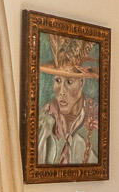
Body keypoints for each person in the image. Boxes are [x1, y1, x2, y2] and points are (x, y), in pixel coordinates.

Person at [36, 35, 100, 166]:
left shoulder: (96, 117)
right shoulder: (46, 116)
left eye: (69, 82)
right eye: (58, 81)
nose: (62, 91)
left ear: (81, 84)